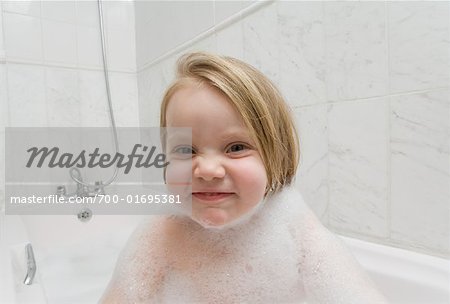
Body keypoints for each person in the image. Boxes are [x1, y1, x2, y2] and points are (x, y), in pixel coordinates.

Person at [101, 52, 387, 303]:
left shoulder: (297, 231)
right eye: (186, 149)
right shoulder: (161, 235)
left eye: (236, 147)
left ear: (275, 154)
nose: (208, 170)